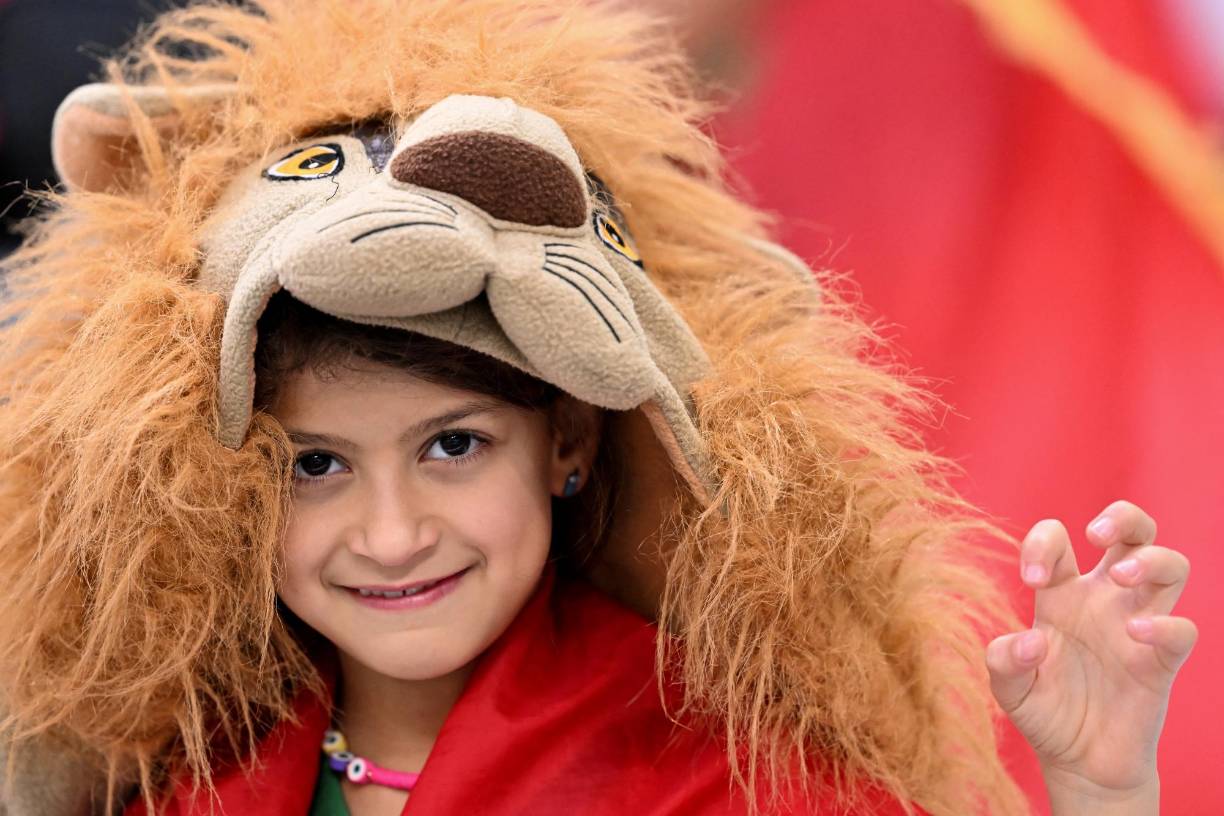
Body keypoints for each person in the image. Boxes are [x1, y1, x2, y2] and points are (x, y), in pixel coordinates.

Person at [0, 1, 1195, 815]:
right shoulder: (181, 780)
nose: (391, 530)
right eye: (318, 466)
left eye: (453, 445)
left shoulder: (739, 780)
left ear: (568, 443)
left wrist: (1102, 789)